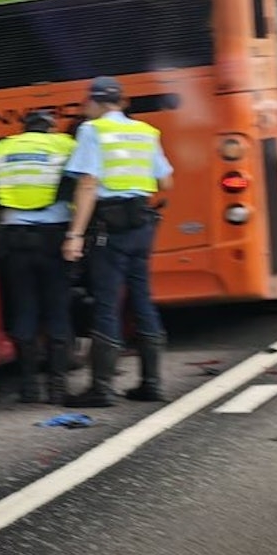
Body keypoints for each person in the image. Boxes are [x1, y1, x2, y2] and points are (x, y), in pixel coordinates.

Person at [61, 76, 175, 407]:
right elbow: (166, 181)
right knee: (142, 298)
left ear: (95, 102)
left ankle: (102, 388)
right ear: (121, 102)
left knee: (107, 302)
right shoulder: (146, 132)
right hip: (142, 224)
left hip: (109, 226)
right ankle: (151, 383)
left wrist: (75, 234)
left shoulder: (92, 130)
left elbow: (87, 183)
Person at [0, 111, 78, 403]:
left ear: (23, 128)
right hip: (55, 237)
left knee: (24, 307)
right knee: (57, 308)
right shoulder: (65, 146)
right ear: (50, 129)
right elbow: (78, 189)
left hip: (14, 237)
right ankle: (57, 387)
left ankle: (28, 387)